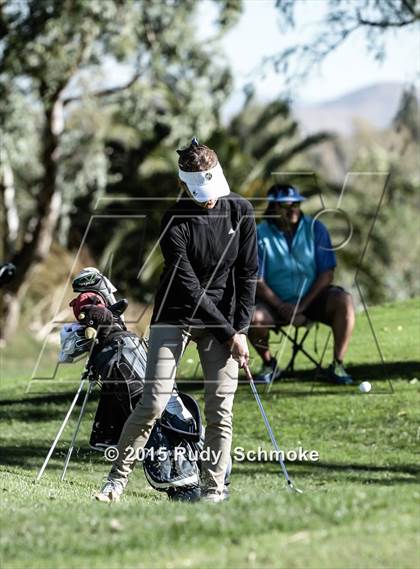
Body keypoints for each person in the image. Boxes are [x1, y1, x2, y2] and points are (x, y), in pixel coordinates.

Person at [95, 138, 258, 503]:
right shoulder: (175, 221)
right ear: (183, 184)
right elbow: (189, 289)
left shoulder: (240, 211)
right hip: (177, 315)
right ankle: (116, 480)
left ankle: (214, 491)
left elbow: (248, 274)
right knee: (153, 401)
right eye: (199, 191)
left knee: (221, 409)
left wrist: (242, 329)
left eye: (212, 187)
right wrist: (230, 331)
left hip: (226, 323)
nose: (209, 198)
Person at [249, 184, 355, 385]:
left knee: (344, 301)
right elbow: (256, 280)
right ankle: (269, 364)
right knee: (252, 316)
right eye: (285, 205)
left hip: (311, 301)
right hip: (273, 304)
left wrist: (301, 307)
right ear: (273, 208)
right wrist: (282, 306)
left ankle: (338, 364)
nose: (293, 210)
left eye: (296, 204)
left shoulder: (315, 228)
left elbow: (327, 274)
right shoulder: (259, 234)